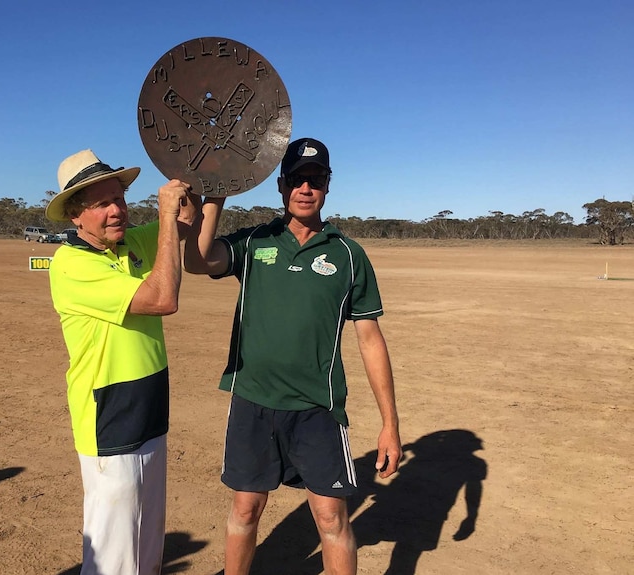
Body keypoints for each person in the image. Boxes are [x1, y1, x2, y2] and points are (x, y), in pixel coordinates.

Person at [183, 137, 402, 575]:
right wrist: (217, 194)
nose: (306, 188)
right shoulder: (255, 242)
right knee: (245, 512)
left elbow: (370, 339)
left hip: (316, 410)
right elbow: (198, 259)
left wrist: (390, 425)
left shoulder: (348, 256)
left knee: (331, 519)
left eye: (315, 180)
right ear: (281, 185)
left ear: (327, 186)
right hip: (253, 401)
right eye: (297, 180)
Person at [46, 149, 195, 575]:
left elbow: (187, 223)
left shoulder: (131, 242)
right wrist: (165, 218)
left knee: (148, 544)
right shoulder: (71, 264)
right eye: (102, 204)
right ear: (75, 215)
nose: (117, 211)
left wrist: (208, 179)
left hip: (149, 404)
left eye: (120, 199)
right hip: (109, 414)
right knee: (113, 552)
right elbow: (163, 298)